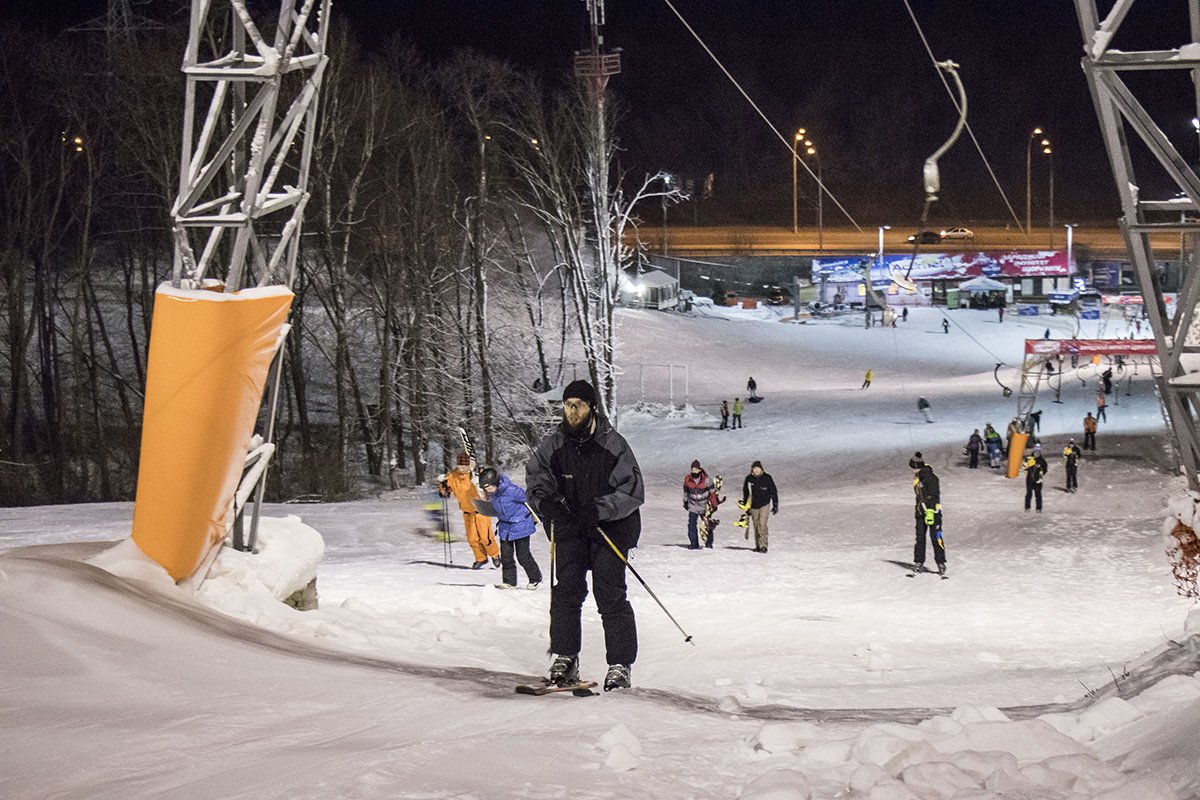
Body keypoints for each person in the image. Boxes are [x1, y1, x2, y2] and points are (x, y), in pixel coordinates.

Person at [525, 379, 644, 692]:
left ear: (592, 407)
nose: (572, 410)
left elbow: (632, 491)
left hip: (609, 530)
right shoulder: (553, 445)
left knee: (610, 595)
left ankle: (620, 665)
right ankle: (566, 656)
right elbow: (536, 481)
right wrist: (546, 503)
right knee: (566, 592)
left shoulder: (613, 444)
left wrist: (599, 509)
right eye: (567, 404)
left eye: (578, 404)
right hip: (570, 529)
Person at [479, 467, 542, 589]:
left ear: (496, 482)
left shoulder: (512, 490)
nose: (488, 490)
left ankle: (535, 579)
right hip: (505, 527)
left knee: (523, 556)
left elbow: (528, 499)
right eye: (486, 488)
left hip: (520, 525)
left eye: (490, 487)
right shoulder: (492, 494)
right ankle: (509, 582)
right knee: (506, 557)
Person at [439, 452, 500, 569]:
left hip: (481, 509)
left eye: (464, 466)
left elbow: (488, 489)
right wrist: (442, 484)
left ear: (468, 466)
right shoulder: (453, 476)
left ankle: (495, 555)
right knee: (472, 538)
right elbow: (445, 494)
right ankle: (481, 558)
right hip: (467, 511)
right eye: (459, 466)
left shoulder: (474, 475)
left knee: (485, 537)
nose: (461, 468)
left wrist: (478, 477)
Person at [909, 452, 946, 576]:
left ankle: (940, 562)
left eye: (913, 468)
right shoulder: (918, 478)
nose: (912, 471)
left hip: (933, 513)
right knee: (920, 538)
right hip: (920, 513)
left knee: (936, 537)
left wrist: (930, 510)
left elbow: (934, 496)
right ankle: (919, 562)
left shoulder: (931, 478)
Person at [741, 461, 778, 553]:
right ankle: (758, 545)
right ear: (752, 469)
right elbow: (746, 493)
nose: (756, 470)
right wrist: (747, 507)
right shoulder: (749, 479)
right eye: (754, 468)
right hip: (753, 505)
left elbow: (773, 491)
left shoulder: (767, 478)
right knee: (756, 525)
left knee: (762, 524)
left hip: (764, 504)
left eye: (758, 468)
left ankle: (763, 545)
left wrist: (775, 504)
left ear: (761, 469)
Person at [683, 460, 717, 550]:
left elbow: (712, 493)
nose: (694, 471)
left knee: (707, 525)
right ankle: (694, 544)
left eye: (696, 469)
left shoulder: (706, 480)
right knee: (691, 525)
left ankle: (709, 543)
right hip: (693, 505)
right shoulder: (688, 479)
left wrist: (714, 504)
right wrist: (685, 502)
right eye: (692, 469)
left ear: (699, 469)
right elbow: (686, 491)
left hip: (704, 506)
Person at [1023, 445, 1049, 512]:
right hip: (1029, 479)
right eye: (1035, 452)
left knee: (1038, 494)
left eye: (1038, 453)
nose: (1036, 454)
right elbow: (1024, 467)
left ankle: (1038, 508)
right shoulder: (1029, 459)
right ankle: (1027, 507)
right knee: (1029, 494)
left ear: (1040, 453)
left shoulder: (1042, 461)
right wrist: (1027, 470)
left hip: (1038, 480)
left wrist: (1040, 471)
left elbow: (1045, 470)